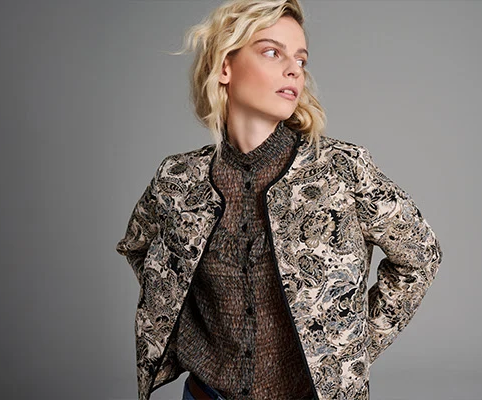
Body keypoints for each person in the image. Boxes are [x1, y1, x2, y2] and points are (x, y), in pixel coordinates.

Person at [115, 1, 442, 399]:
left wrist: (347, 352)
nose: (294, 70)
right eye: (272, 52)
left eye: (300, 59)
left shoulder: (342, 169)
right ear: (225, 67)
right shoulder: (178, 179)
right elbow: (138, 248)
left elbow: (421, 256)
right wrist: (190, 333)